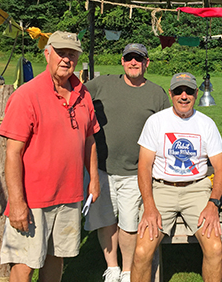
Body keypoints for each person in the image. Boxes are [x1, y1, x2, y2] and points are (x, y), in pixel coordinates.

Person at [0, 31, 100, 282]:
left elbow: (89, 139)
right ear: (47, 53)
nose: (66, 59)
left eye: (71, 54)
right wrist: (18, 202)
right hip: (34, 199)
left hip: (70, 194)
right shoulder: (26, 95)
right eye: (61, 53)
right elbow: (13, 153)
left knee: (57, 256)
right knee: (25, 262)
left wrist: (94, 179)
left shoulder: (83, 93)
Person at [84, 43, 170, 282]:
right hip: (100, 167)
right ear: (122, 61)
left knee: (129, 223)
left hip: (136, 171)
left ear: (146, 63)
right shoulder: (102, 84)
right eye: (129, 58)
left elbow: (168, 127)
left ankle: (127, 271)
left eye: (139, 59)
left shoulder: (156, 93)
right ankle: (112, 269)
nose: (134, 62)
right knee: (106, 220)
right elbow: (74, 96)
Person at [130, 72, 222, 282]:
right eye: (178, 91)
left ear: (196, 93)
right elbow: (145, 166)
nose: (184, 96)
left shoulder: (206, 124)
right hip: (162, 189)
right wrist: (149, 205)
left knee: (215, 248)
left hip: (197, 190)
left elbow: (220, 168)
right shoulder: (156, 121)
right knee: (141, 252)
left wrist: (213, 204)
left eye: (189, 91)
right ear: (170, 93)